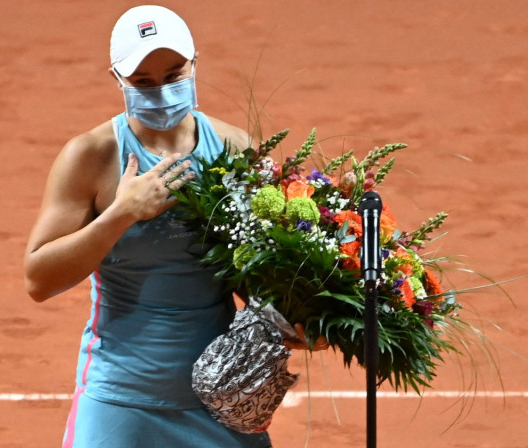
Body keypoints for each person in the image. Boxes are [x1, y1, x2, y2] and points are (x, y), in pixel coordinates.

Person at [24, 5, 325, 447]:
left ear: (194, 63)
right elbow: (38, 278)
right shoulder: (91, 157)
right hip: (120, 401)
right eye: (142, 82)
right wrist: (121, 213)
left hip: (221, 400)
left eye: (173, 75)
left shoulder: (235, 148)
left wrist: (293, 315)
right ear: (117, 79)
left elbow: (253, 272)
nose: (161, 91)